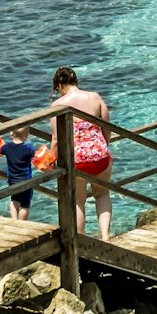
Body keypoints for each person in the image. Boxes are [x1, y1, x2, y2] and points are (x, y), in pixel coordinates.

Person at [51, 67, 114, 238]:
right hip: (100, 157)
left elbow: (57, 139)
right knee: (102, 194)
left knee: (78, 200)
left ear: (60, 84)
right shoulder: (94, 97)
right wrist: (104, 149)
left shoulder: (57, 105)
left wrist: (52, 161)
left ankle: (81, 240)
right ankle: (106, 236)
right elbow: (107, 129)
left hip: (76, 161)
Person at [0, 123, 40, 221]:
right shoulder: (28, 149)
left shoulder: (6, 147)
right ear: (26, 135)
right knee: (25, 205)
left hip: (12, 180)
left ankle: (14, 220)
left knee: (14, 200)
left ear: (12, 133)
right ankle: (22, 223)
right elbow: (38, 159)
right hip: (26, 180)